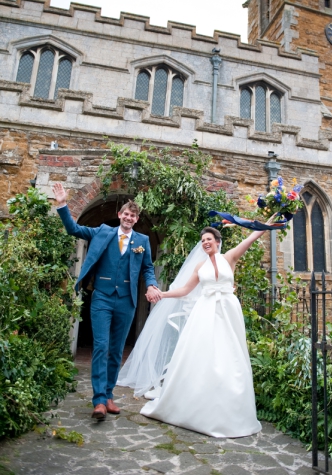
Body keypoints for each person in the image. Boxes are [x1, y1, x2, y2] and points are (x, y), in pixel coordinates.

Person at [128, 225, 265, 437]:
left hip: (228, 312)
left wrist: (278, 213)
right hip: (206, 312)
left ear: (218, 242)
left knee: (230, 356)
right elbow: (184, 290)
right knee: (203, 355)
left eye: (209, 239)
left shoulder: (229, 257)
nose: (205, 242)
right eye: (202, 240)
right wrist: (162, 294)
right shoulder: (200, 267)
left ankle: (228, 408)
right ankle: (197, 404)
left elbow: (254, 235)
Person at [51, 182, 162, 420]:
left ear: (136, 218)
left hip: (126, 301)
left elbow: (148, 269)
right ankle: (99, 400)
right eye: (126, 214)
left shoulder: (142, 242)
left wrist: (152, 284)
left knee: (116, 350)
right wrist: (62, 204)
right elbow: (73, 229)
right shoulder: (103, 231)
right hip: (101, 297)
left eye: (133, 215)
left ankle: (109, 396)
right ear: (119, 215)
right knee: (101, 347)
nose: (129, 218)